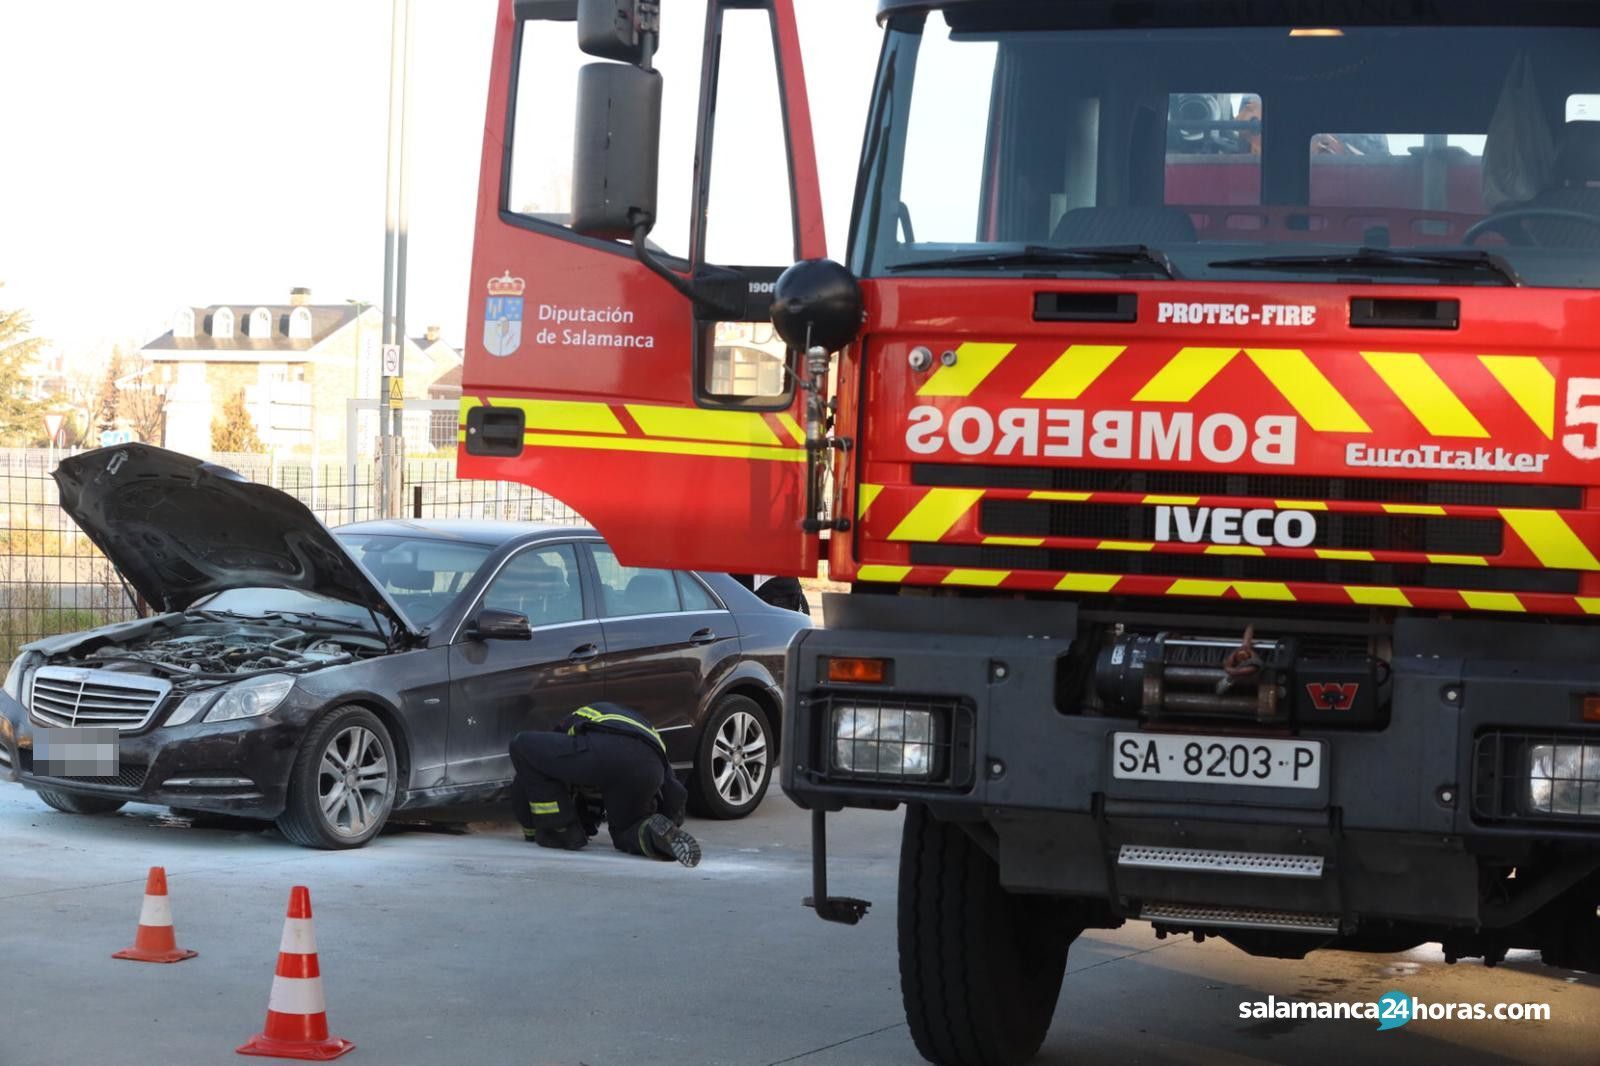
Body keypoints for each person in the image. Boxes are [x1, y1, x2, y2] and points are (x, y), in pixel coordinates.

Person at [509, 702, 701, 866]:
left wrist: (532, 829)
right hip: (649, 766)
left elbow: (528, 769)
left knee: (521, 745)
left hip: (604, 750)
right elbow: (676, 792)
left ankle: (561, 830)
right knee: (627, 829)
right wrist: (670, 820)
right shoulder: (644, 728)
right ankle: (656, 836)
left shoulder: (565, 728)